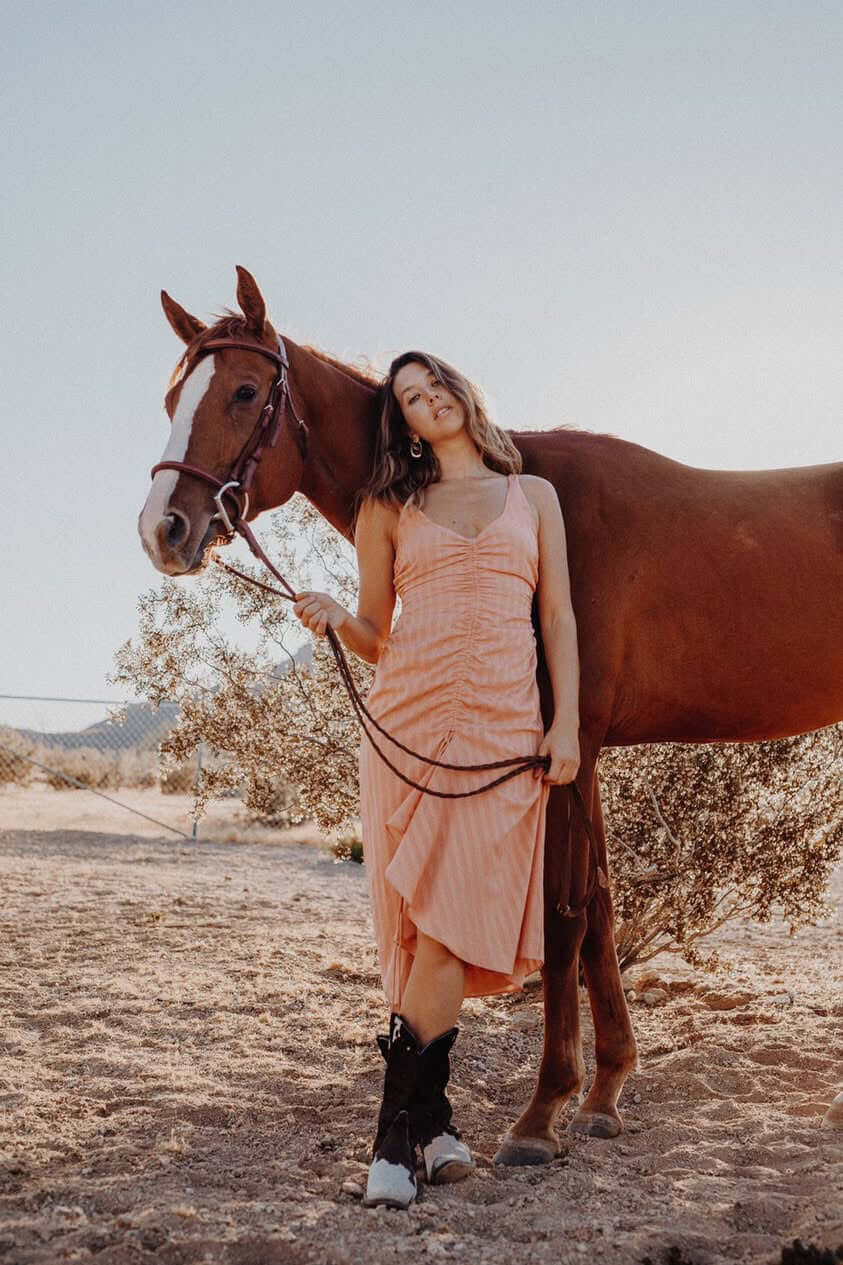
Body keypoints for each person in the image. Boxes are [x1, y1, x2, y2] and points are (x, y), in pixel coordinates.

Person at [292, 351, 580, 1209]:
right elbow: (380, 632)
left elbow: (557, 614)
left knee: (452, 929)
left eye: (434, 387)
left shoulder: (533, 497)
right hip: (407, 725)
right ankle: (416, 1134)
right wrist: (339, 619)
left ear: (462, 392)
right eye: (409, 400)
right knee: (427, 938)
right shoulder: (387, 505)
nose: (426, 403)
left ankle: (406, 1131)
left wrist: (563, 720)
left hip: (503, 729)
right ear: (405, 423)